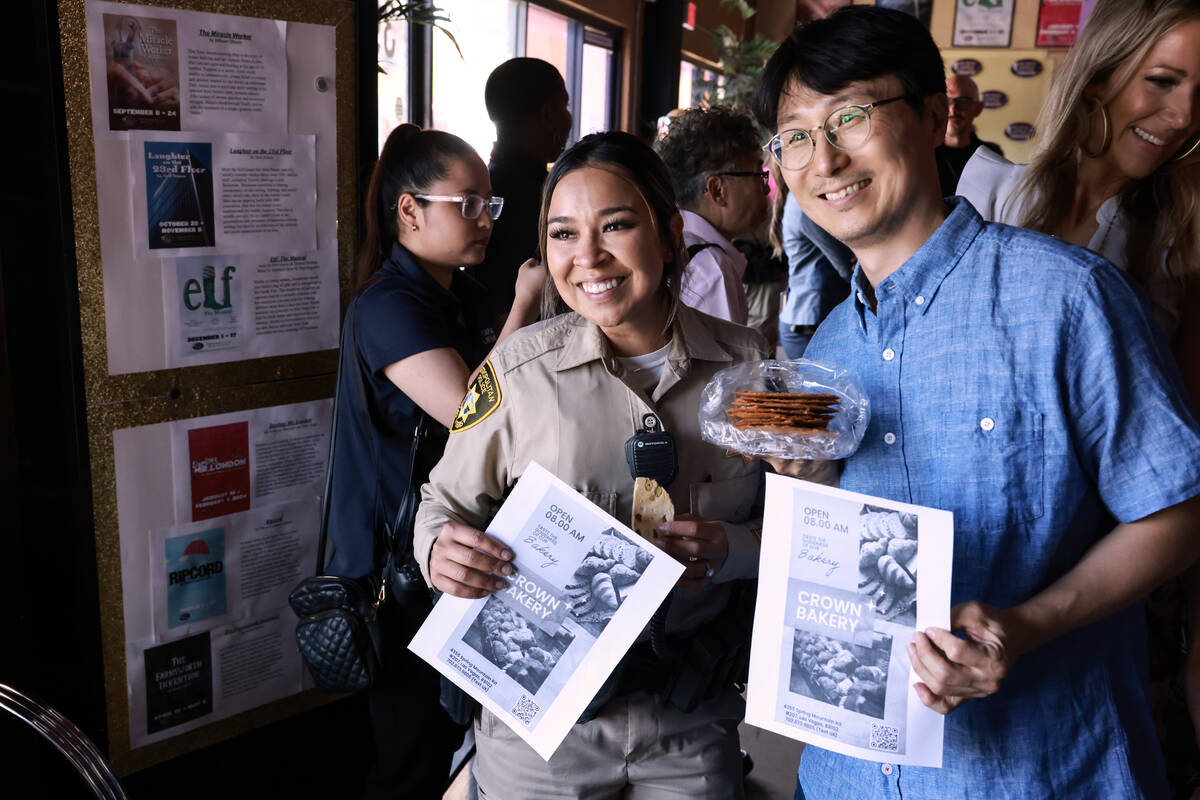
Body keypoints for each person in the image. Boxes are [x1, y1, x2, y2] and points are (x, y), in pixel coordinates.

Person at [752, 6, 1200, 799]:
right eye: (794, 136)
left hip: (1042, 771)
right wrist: (800, 479)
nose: (823, 158)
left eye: (851, 116)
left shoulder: (1068, 297)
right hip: (850, 774)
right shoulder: (824, 351)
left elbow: (1177, 512)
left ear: (933, 117)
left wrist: (1028, 627)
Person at [413, 131, 766, 799]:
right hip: (540, 730)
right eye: (564, 235)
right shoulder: (515, 375)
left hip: (692, 720)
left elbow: (801, 525)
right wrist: (439, 551)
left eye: (616, 226)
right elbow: (441, 505)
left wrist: (735, 549)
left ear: (668, 234)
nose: (588, 258)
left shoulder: (750, 368)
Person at [956, 1, 1200, 793]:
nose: (1183, 114)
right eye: (1161, 81)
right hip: (983, 541)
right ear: (1099, 74)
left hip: (1114, 565)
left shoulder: (1180, 236)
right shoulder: (989, 192)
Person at [325, 123, 542, 800]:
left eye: (490, 204)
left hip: (444, 554)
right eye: (467, 203)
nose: (484, 219)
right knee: (410, 755)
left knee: (450, 745)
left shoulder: (456, 295)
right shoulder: (390, 304)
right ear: (410, 210)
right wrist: (526, 305)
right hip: (396, 576)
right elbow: (470, 414)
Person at [654, 105, 771, 326]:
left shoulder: (672, 243)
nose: (765, 190)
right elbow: (727, 361)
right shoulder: (712, 269)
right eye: (758, 175)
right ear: (718, 190)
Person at [477, 57, 573, 326]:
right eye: (565, 105)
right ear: (547, 115)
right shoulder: (540, 195)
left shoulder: (487, 187)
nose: (569, 117)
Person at [775, 189, 854, 359]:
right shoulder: (804, 206)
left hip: (806, 319)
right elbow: (846, 266)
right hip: (807, 325)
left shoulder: (798, 200)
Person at [935, 74, 1003, 197]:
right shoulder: (925, 155)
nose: (952, 109)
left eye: (963, 102)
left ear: (978, 108)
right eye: (947, 101)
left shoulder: (992, 155)